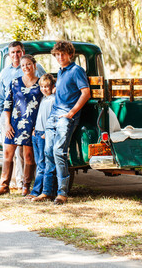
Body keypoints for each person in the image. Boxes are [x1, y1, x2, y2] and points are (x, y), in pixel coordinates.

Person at [32, 41, 91, 205]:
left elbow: (85, 93)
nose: (59, 57)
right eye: (57, 54)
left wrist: (71, 113)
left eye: (62, 54)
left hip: (66, 117)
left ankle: (62, 193)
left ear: (70, 54)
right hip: (53, 116)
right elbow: (63, 90)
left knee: (59, 152)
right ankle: (46, 192)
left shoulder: (76, 70)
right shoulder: (61, 71)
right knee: (48, 152)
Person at [0, 41, 45, 194]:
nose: (25, 67)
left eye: (28, 64)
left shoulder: (40, 83)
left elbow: (46, 100)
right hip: (14, 123)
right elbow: (6, 102)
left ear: (34, 65)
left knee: (28, 156)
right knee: (8, 153)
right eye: (23, 65)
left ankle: (26, 187)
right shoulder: (14, 82)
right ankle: (4, 186)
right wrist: (6, 123)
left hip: (32, 124)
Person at [26, 74, 55, 199]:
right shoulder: (43, 99)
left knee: (43, 165)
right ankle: (38, 191)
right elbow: (40, 116)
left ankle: (38, 192)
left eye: (47, 87)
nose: (44, 89)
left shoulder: (53, 100)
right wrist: (34, 130)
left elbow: (52, 118)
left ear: (52, 87)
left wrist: (46, 133)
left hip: (44, 134)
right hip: (36, 133)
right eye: (42, 87)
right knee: (39, 164)